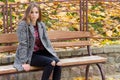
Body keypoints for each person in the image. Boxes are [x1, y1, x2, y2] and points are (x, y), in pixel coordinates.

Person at [13, 2, 62, 80]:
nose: (34, 14)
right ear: (27, 13)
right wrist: (24, 62)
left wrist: (54, 55)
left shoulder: (41, 24)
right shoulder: (23, 25)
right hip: (30, 55)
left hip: (42, 53)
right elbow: (23, 44)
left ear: (39, 14)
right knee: (51, 63)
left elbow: (47, 42)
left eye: (36, 12)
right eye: (31, 12)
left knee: (58, 63)